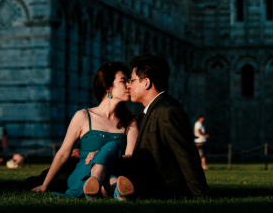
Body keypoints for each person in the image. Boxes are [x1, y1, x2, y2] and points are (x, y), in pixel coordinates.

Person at [32, 62, 138, 201]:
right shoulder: (83, 116)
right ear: (108, 87)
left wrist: (101, 155)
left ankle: (107, 187)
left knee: (111, 164)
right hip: (83, 173)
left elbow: (129, 157)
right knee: (113, 146)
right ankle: (109, 186)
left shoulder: (130, 121)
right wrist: (45, 184)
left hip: (113, 172)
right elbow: (63, 153)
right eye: (124, 81)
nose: (129, 85)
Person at [125, 55, 210, 199]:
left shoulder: (168, 111)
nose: (128, 85)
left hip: (168, 192)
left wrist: (202, 196)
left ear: (146, 83)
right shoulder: (150, 110)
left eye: (131, 80)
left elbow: (186, 156)